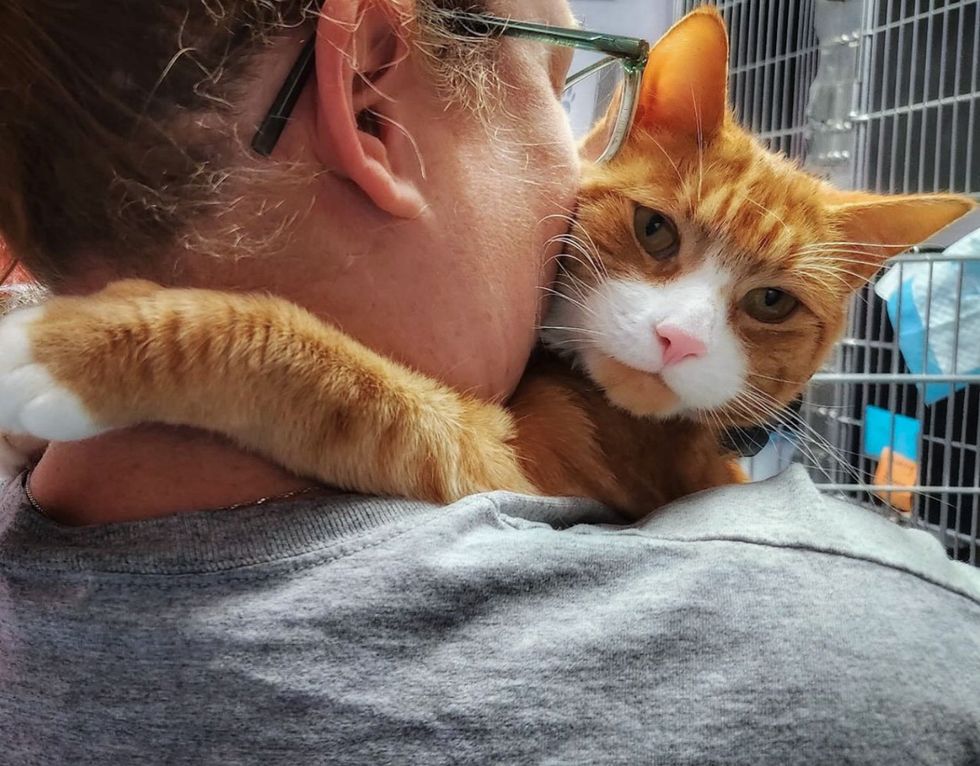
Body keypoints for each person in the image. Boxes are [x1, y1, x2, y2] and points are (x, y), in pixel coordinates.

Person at [0, 1, 977, 764]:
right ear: (367, 94)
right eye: (562, 85)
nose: (578, 150)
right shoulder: (875, 637)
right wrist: (199, 353)